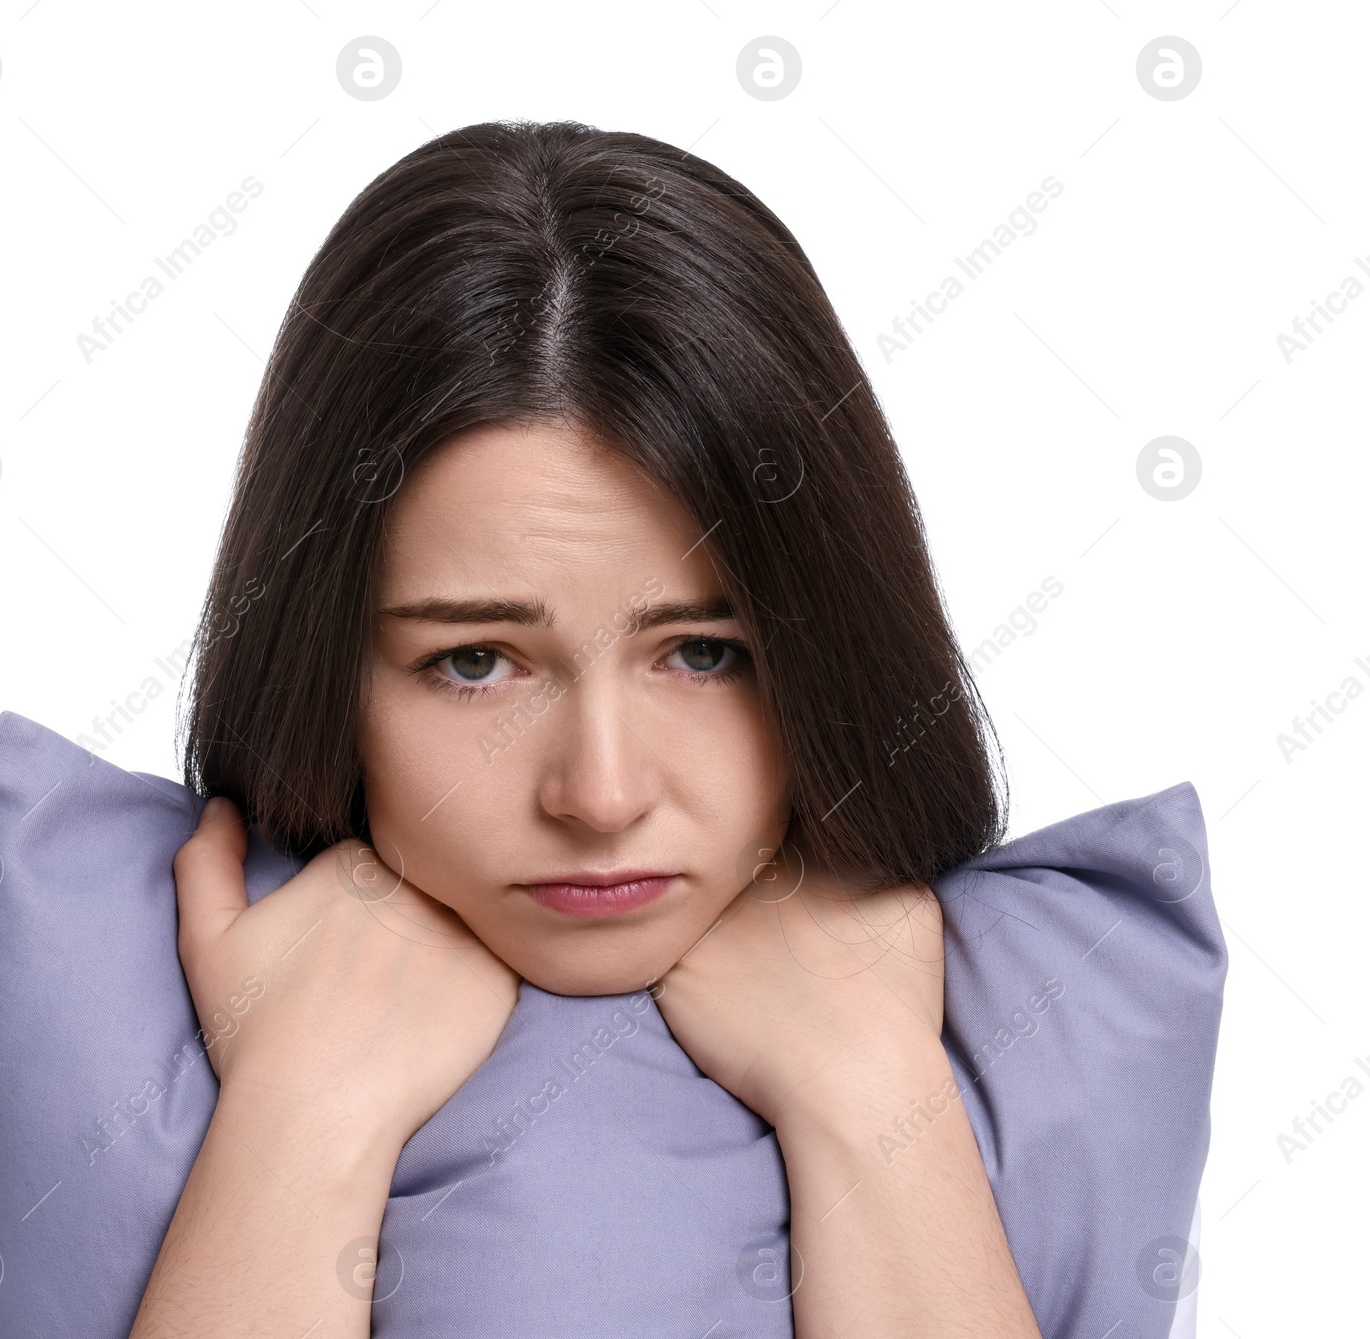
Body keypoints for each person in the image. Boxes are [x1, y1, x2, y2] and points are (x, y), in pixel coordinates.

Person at [128, 119, 1043, 1337]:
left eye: (705, 654)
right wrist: (306, 1109)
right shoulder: (105, 1029)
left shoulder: (1044, 1047)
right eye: (472, 662)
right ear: (321, 668)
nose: (599, 795)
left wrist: (873, 1094)